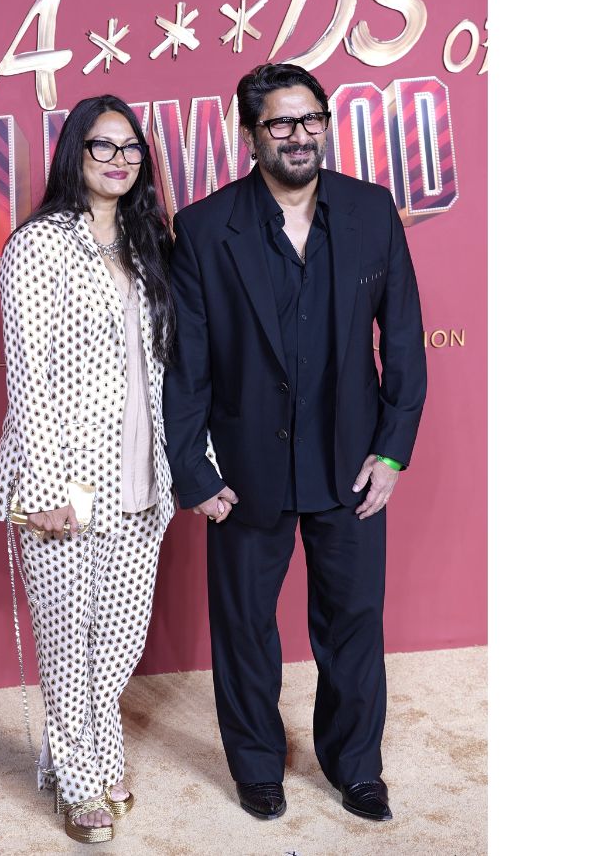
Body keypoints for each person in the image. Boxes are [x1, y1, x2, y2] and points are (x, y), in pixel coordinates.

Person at [163, 63, 426, 824]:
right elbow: (187, 367)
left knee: (354, 624)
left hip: (351, 463)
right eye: (280, 122)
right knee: (244, 627)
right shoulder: (205, 228)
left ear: (325, 124)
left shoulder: (372, 211)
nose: (299, 134)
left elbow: (403, 340)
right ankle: (257, 766)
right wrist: (193, 471)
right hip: (246, 470)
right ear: (250, 134)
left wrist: (392, 451)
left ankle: (356, 767)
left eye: (310, 118)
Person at [0, 94, 176, 844]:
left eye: (130, 148)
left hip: (140, 475)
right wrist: (43, 489)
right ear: (75, 153)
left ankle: (101, 747)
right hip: (64, 478)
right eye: (103, 146)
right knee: (68, 638)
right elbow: (27, 376)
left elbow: (163, 369)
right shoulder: (39, 244)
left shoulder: (145, 243)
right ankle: (77, 776)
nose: (119, 160)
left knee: (120, 636)